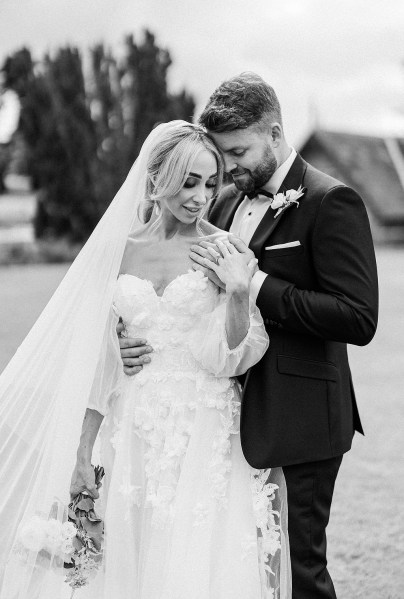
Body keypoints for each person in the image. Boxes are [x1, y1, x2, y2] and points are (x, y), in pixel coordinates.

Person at [0, 121, 291, 599]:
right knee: (130, 560)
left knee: (198, 561)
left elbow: (233, 358)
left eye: (211, 182)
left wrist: (239, 292)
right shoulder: (118, 251)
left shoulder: (223, 248)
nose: (202, 196)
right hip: (130, 426)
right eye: (189, 182)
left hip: (205, 429)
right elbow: (95, 361)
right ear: (157, 180)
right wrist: (82, 453)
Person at [120, 74, 379, 599]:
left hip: (297, 414)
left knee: (297, 571)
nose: (228, 170)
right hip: (213, 419)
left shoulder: (332, 201)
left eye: (238, 152)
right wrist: (130, 336)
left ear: (276, 133)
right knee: (235, 569)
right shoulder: (218, 202)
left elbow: (357, 317)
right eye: (221, 158)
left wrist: (256, 283)